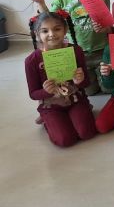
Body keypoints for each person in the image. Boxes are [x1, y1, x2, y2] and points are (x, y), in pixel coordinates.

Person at [25, 10, 96, 147]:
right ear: (37, 34)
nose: (51, 34)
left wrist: (79, 81)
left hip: (75, 99)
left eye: (57, 29)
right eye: (45, 31)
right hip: (51, 105)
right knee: (65, 140)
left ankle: (82, 110)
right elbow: (33, 94)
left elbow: (86, 82)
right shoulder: (31, 61)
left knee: (86, 133)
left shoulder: (76, 51)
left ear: (65, 30)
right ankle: (47, 119)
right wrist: (46, 91)